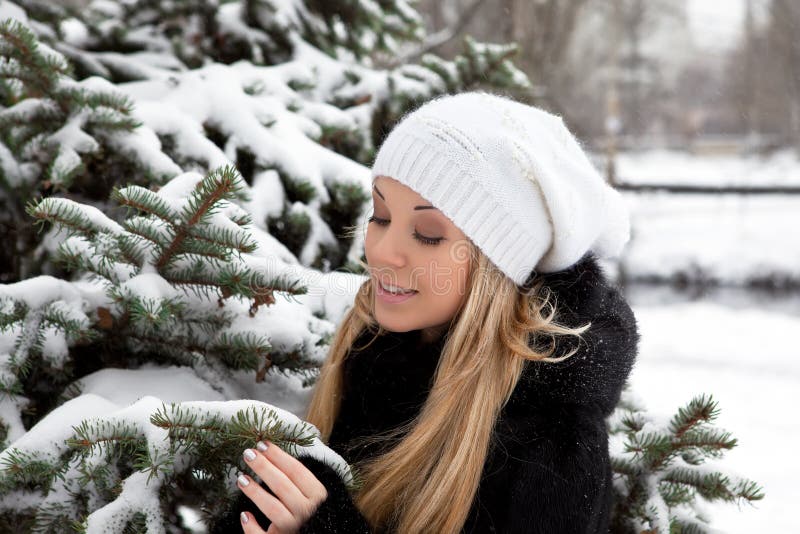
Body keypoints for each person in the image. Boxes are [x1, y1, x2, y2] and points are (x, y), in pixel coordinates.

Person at [211, 91, 641, 533]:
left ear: (496, 265)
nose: (383, 251)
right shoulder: (369, 358)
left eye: (428, 233)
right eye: (380, 216)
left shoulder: (553, 444)